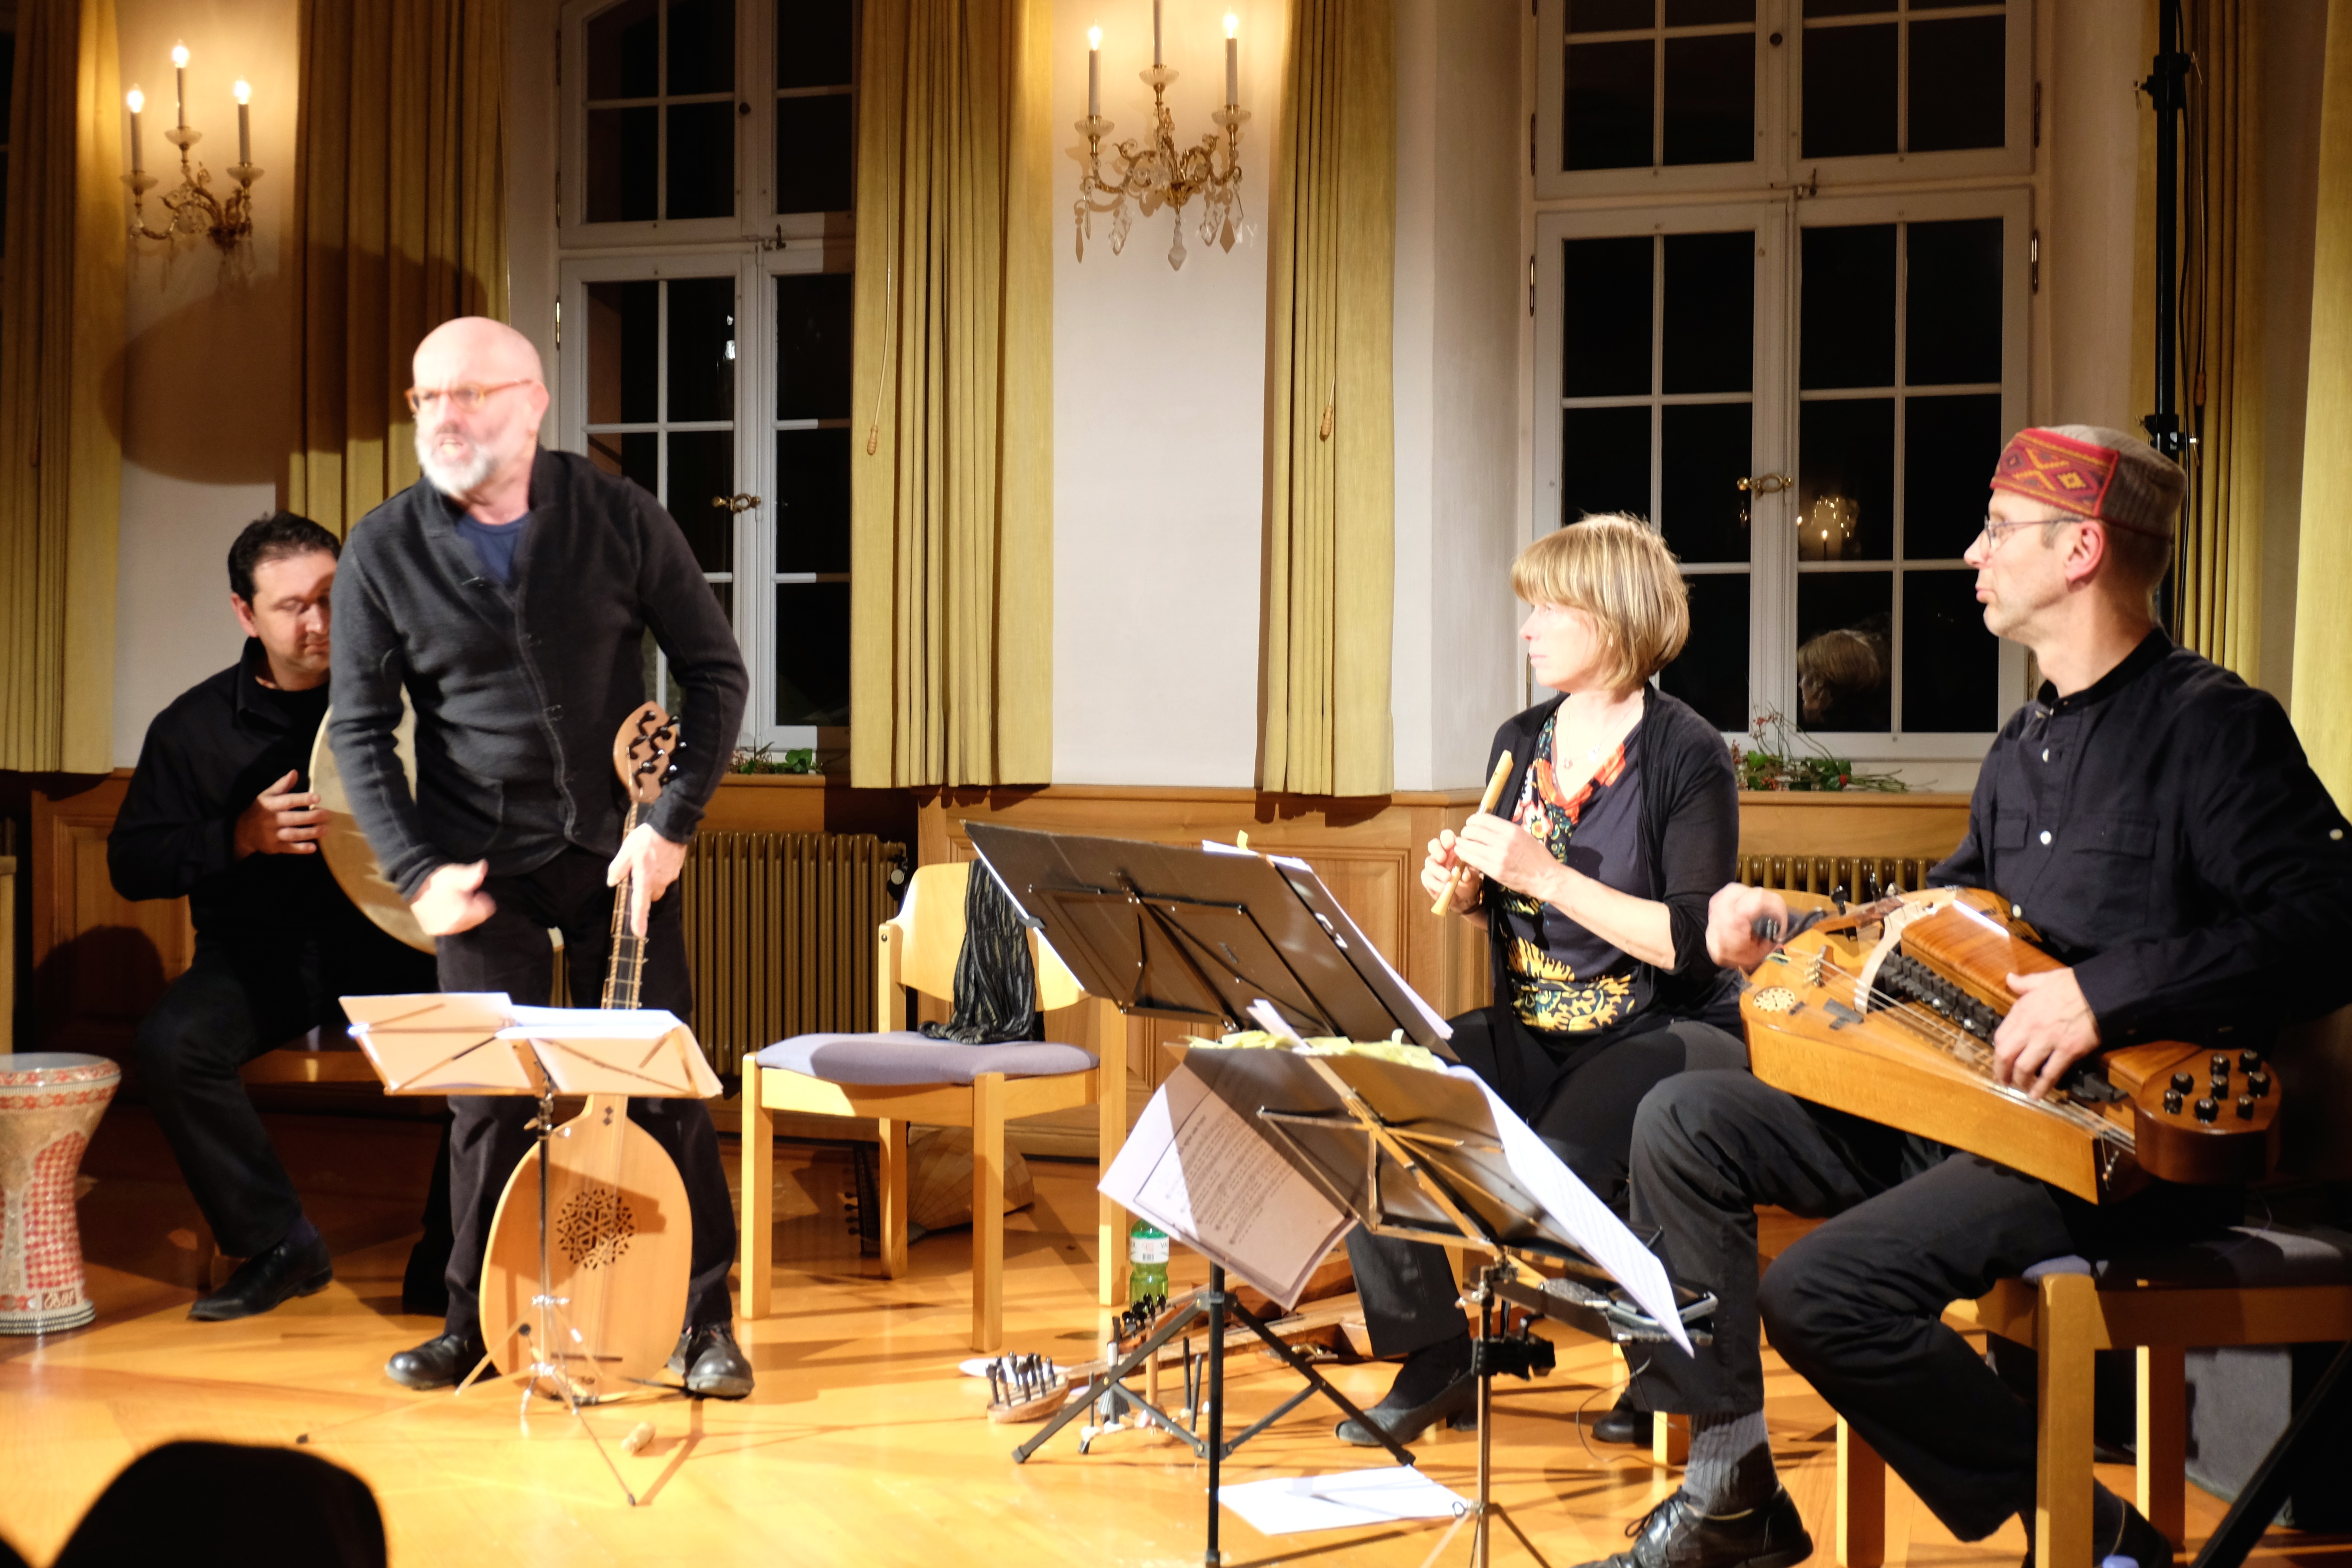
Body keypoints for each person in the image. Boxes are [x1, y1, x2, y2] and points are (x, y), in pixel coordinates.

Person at [1591, 426, 2352, 1568]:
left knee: (1822, 1292)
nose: (1971, 553)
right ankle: (1733, 1487)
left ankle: (2099, 1534)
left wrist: (2102, 995)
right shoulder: (2021, 746)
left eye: (1998, 530)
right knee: (1686, 1119)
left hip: (2112, 1147)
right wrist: (1791, 922)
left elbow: (2329, 922)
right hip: (1966, 1107)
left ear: (2081, 550)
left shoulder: (2213, 727)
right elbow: (1941, 919)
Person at [329, 317, 755, 1398]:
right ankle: (473, 1324)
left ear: (531, 403)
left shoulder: (619, 517)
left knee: (655, 1087)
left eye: (468, 393)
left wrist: (672, 825)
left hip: (624, 853)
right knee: (484, 1102)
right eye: (427, 398)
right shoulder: (383, 547)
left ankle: (703, 1322)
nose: (445, 416)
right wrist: (416, 871)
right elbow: (360, 730)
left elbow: (716, 674)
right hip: (478, 868)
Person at [1338, 515, 1748, 1447]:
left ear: (1613, 615)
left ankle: (1665, 1361)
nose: (1527, 629)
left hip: (1661, 1029)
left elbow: (1691, 945)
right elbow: (1515, 900)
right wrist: (1472, 889)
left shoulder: (1687, 752)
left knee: (1548, 1173)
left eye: (1549, 610)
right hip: (1536, 1029)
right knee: (1370, 1091)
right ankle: (1436, 1351)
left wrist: (1544, 875)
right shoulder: (1521, 738)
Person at [109, 514, 443, 1322]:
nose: (319, 622)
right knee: (172, 1045)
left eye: (331, 598)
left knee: (491, 1029)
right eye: (293, 606)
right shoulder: (193, 728)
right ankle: (277, 1243)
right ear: (245, 613)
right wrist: (238, 836)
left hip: (395, 945)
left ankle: (452, 1253)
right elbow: (132, 863)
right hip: (262, 959)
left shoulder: (410, 700)